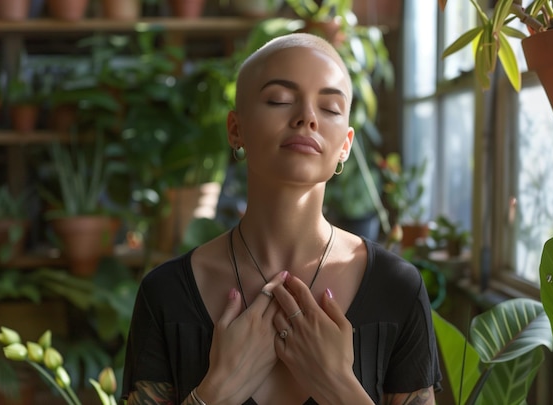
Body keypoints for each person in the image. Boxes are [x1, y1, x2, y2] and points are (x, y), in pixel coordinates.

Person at [121, 32, 442, 404]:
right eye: (280, 100)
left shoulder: (397, 289)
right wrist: (215, 392)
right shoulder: (165, 294)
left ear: (345, 145)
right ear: (235, 129)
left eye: (330, 108)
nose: (307, 117)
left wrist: (339, 386)